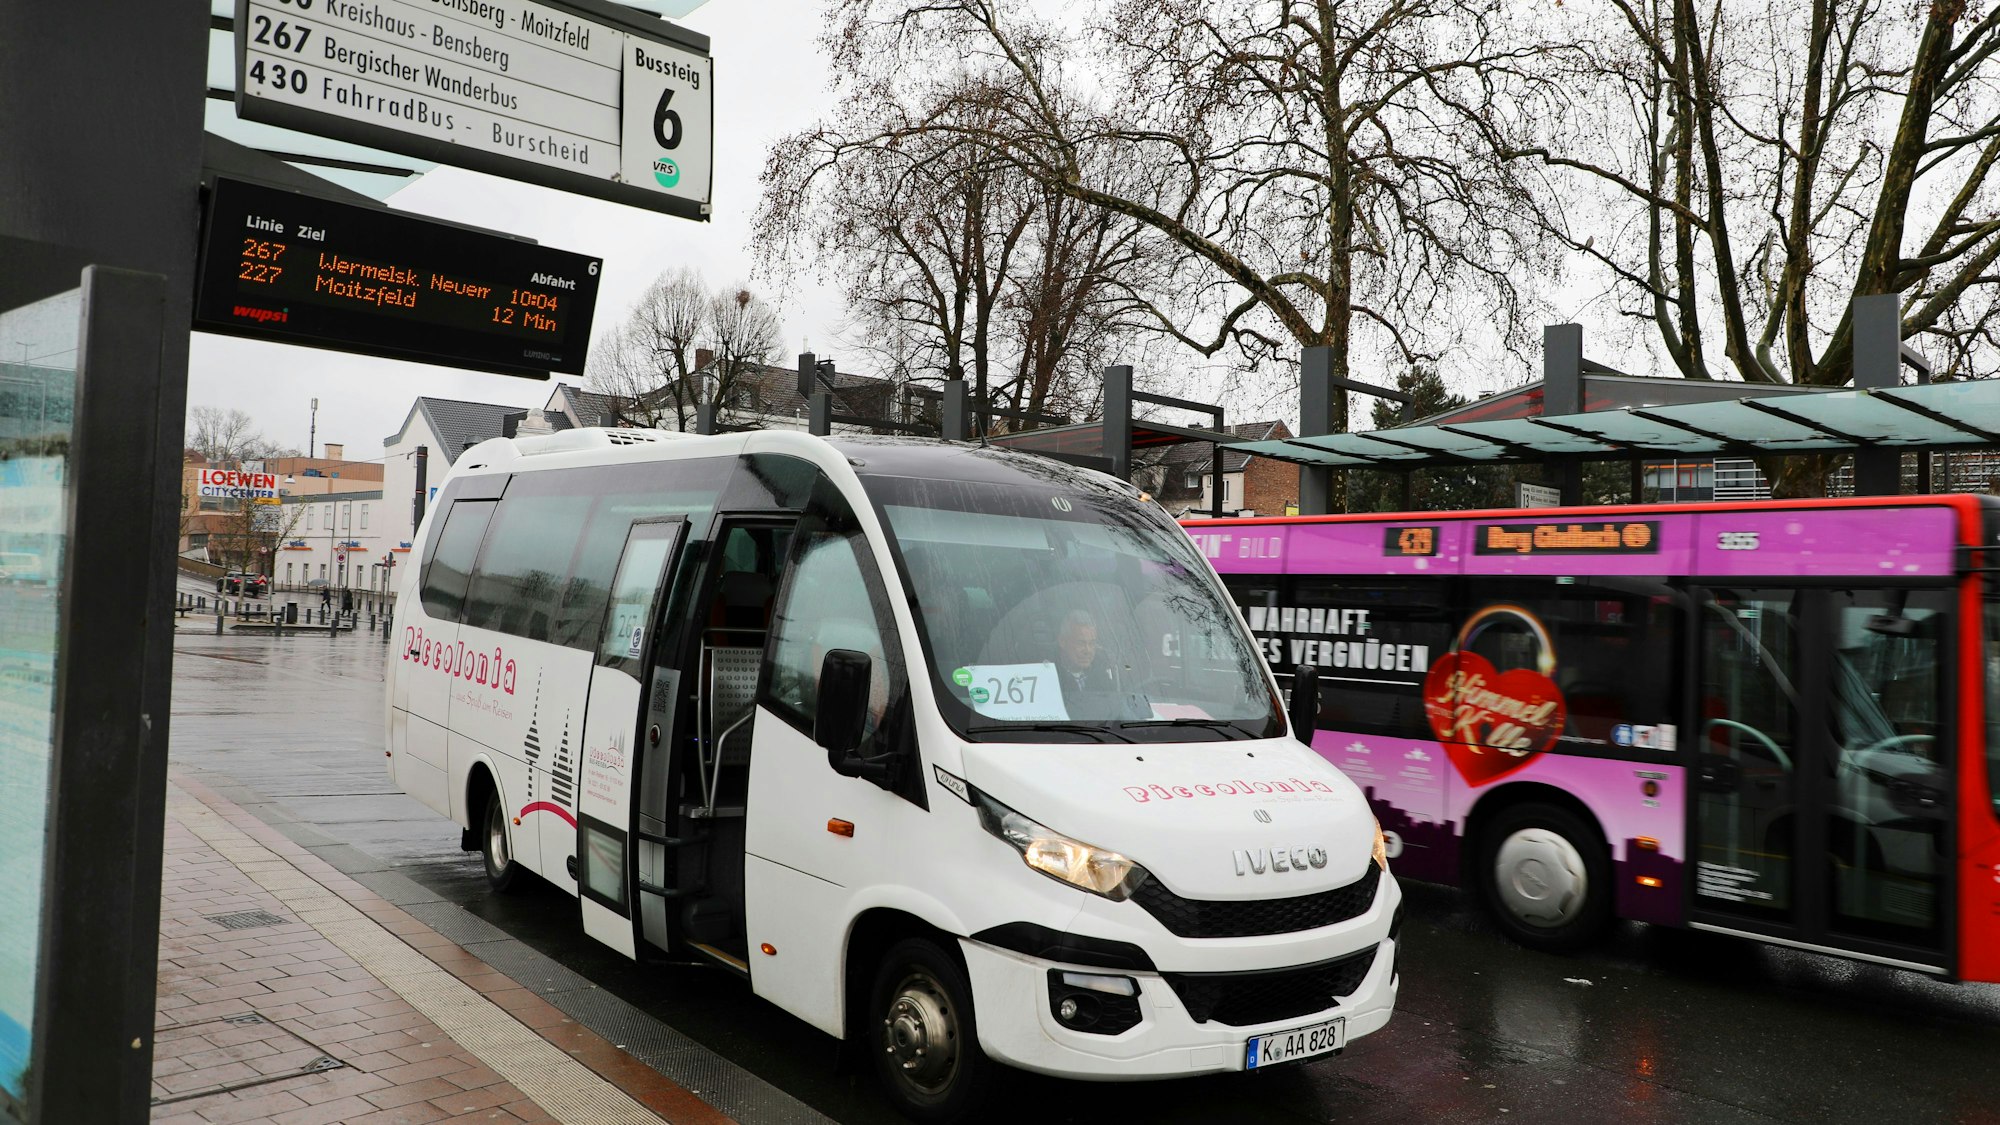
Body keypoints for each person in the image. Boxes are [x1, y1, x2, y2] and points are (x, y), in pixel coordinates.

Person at [1053, 609, 1119, 699]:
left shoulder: (1103, 676)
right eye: (1081, 643)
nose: (1088, 650)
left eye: (1092, 643)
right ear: (1062, 641)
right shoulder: (1048, 679)